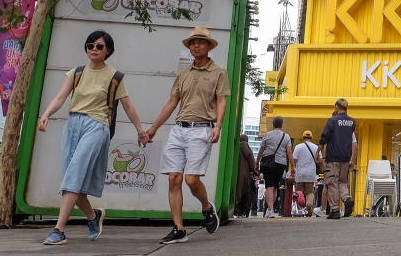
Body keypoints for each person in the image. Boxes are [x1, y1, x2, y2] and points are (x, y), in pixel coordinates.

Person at [38, 30, 147, 246]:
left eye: (99, 46)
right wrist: (46, 114)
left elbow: (129, 107)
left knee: (73, 177)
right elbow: (60, 98)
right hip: (73, 125)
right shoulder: (76, 73)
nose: (93, 49)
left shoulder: (115, 77)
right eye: (90, 45)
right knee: (72, 180)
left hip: (97, 126)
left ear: (108, 50)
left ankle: (59, 230)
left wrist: (141, 131)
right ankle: (93, 216)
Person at [146, 27, 230, 244]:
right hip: (179, 129)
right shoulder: (183, 73)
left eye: (201, 42)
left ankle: (207, 207)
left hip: (202, 129)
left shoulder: (219, 71)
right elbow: (172, 102)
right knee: (173, 178)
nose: (196, 46)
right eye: (193, 42)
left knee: (192, 180)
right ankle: (179, 229)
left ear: (209, 46)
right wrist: (154, 128)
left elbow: (221, 100)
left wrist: (218, 126)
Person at [319, 98, 357, 220]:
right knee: (341, 181)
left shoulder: (333, 121)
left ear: (336, 107)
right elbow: (353, 143)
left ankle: (335, 210)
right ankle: (347, 199)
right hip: (345, 157)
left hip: (333, 157)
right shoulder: (352, 122)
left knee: (332, 182)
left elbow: (325, 137)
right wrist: (352, 160)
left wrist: (318, 150)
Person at [256, 116, 294, 218]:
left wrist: (257, 162)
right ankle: (270, 209)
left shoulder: (267, 135)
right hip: (281, 164)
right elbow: (289, 152)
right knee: (275, 187)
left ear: (273, 124)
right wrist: (293, 166)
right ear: (281, 125)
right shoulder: (286, 137)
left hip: (268, 163)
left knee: (269, 186)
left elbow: (261, 150)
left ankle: (270, 210)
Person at [292, 130, 323, 217]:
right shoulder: (316, 147)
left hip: (300, 173)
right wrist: (320, 167)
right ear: (311, 138)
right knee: (310, 191)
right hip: (310, 173)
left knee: (299, 192)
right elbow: (320, 161)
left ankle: (300, 210)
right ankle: (309, 204)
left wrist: (293, 169)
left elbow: (294, 160)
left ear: (303, 138)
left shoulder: (298, 147)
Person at [236, 133, 257, 217]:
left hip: (236, 172)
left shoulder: (236, 146)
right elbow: (251, 161)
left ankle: (236, 209)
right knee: (245, 193)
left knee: (237, 190)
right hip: (245, 174)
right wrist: (255, 171)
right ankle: (242, 211)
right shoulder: (246, 146)